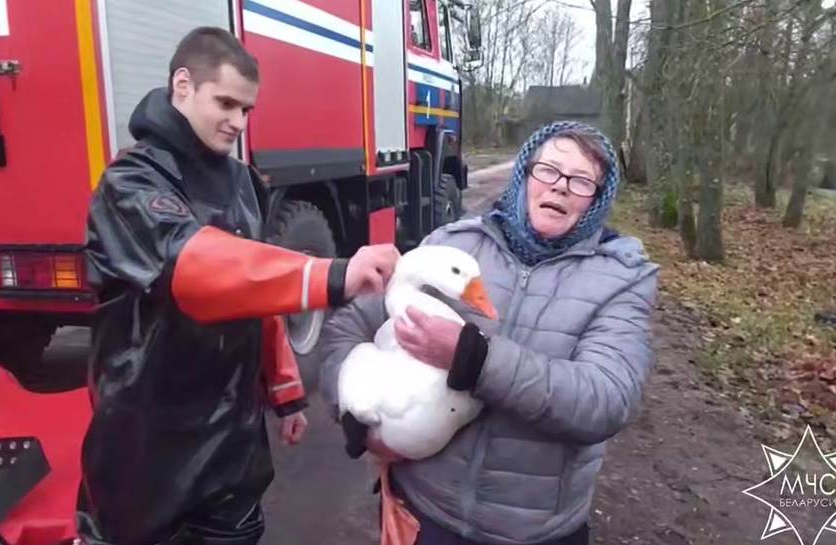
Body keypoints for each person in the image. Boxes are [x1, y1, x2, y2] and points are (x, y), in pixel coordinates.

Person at [77, 27, 399, 545]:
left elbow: (254, 289)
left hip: (231, 441)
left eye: (246, 109)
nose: (237, 121)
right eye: (225, 103)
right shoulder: (131, 183)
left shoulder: (243, 182)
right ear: (183, 85)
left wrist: (285, 390)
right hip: (145, 443)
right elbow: (192, 267)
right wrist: (331, 274)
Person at [319, 121, 659, 545]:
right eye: (548, 170)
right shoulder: (454, 245)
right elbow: (348, 325)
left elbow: (606, 400)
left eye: (582, 180)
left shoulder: (621, 280)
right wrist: (352, 412)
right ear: (525, 174)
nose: (560, 187)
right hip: (425, 515)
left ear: (598, 199)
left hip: (535, 532)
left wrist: (473, 360)